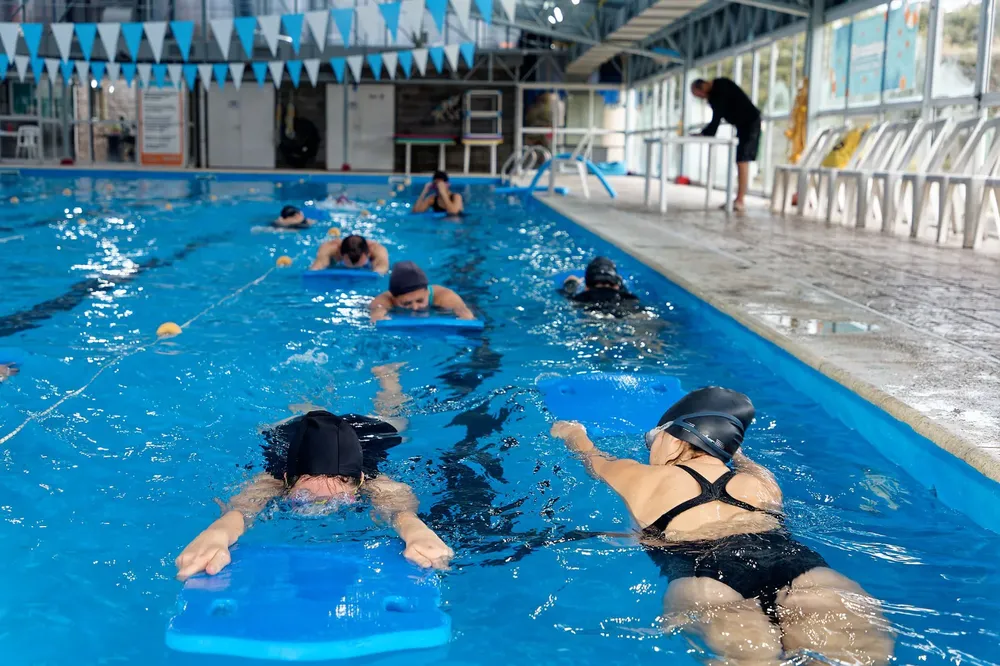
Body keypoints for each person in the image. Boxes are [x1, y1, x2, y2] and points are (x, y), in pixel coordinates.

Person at [550, 387, 893, 666]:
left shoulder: (642, 477)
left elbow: (593, 460)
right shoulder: (761, 482)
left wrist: (573, 433)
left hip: (706, 576)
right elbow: (739, 457)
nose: (650, 448)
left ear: (675, 438)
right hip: (800, 568)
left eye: (653, 438)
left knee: (752, 659)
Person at [175, 410, 453, 579]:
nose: (322, 498)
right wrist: (217, 534)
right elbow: (240, 511)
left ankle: (387, 377)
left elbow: (400, 509)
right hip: (296, 434)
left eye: (340, 482)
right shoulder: (271, 481)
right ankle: (306, 407)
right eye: (307, 485)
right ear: (287, 480)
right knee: (298, 416)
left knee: (396, 420)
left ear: (360, 480)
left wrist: (417, 532)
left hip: (366, 437)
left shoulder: (377, 483)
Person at [691, 78, 762, 213]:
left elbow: (716, 117)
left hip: (750, 123)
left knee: (742, 160)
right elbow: (716, 118)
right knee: (740, 159)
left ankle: (740, 200)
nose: (701, 98)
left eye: (699, 94)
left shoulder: (720, 86)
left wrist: (706, 133)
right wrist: (705, 133)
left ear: (703, 87)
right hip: (743, 125)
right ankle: (739, 199)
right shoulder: (714, 94)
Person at [370, 261, 475, 322]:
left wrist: (465, 316)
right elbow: (376, 317)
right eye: (406, 303)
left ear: (427, 292)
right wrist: (377, 316)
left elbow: (466, 316)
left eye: (420, 300)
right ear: (393, 298)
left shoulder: (445, 297)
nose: (415, 307)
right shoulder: (383, 300)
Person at [562, 257, 640, 309]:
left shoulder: (581, 299)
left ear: (587, 288)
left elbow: (568, 292)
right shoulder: (626, 298)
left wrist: (571, 283)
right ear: (616, 286)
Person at [309, 234, 390, 274]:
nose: (353, 268)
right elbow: (317, 267)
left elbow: (382, 268)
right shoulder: (330, 248)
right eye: (349, 264)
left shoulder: (377, 250)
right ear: (340, 254)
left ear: (368, 254)